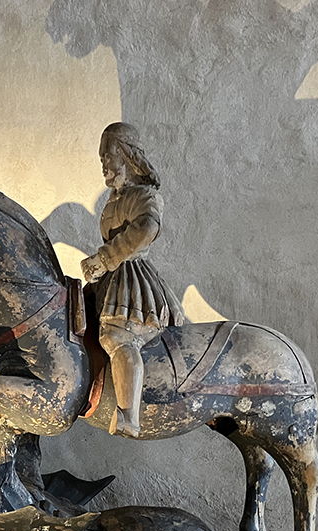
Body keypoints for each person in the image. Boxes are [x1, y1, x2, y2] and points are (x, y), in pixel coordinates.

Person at [81, 122, 183, 438]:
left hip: (133, 280)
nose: (104, 165)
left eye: (108, 157)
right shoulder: (114, 199)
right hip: (110, 280)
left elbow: (146, 229)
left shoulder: (144, 196)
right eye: (101, 159)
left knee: (119, 337)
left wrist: (104, 259)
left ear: (127, 156)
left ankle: (129, 415)